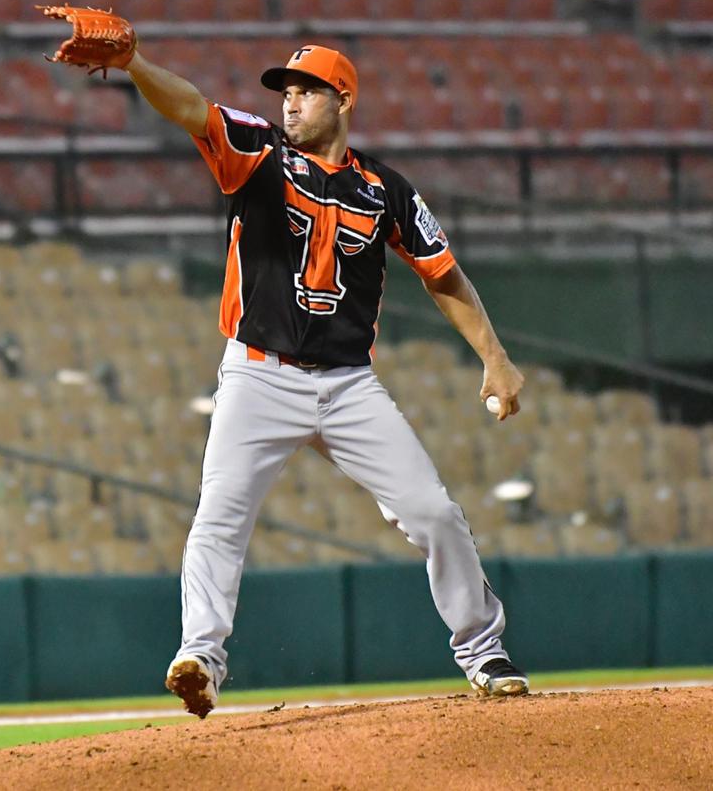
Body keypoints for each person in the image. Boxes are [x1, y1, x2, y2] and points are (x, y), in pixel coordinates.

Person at [113, 43, 531, 717]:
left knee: (434, 512)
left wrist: (495, 354)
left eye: (307, 91)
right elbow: (190, 108)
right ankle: (200, 655)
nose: (291, 102)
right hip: (258, 376)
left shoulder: (386, 188)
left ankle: (484, 651)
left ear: (344, 101)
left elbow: (442, 272)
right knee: (218, 517)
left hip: (347, 385)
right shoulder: (258, 151)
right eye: (286, 91)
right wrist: (134, 64)